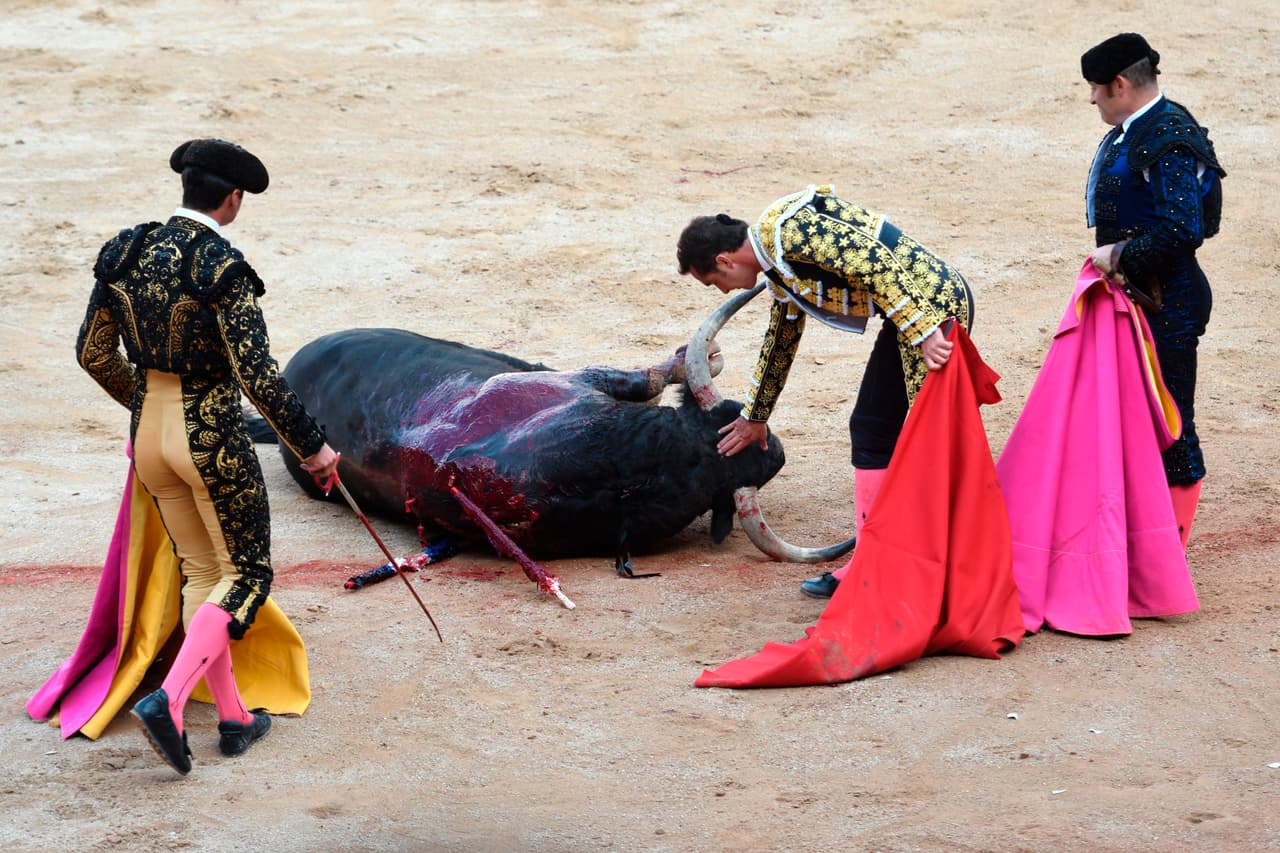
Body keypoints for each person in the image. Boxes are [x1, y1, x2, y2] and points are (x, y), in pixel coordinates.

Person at [75, 138, 339, 776]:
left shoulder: (126, 251)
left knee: (202, 572)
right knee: (246, 576)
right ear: (233, 199)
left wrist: (145, 405)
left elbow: (92, 353)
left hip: (150, 435)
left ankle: (234, 716)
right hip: (211, 437)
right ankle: (166, 699)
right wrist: (313, 448)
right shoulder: (222, 267)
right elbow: (259, 379)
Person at [676, 184, 973, 598]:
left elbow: (876, 263)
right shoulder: (777, 261)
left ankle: (927, 565)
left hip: (932, 312)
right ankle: (883, 560)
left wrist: (923, 331)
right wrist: (755, 417)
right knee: (878, 431)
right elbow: (782, 339)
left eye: (713, 283)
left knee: (923, 438)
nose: (723, 292)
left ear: (724, 261)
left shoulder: (788, 230)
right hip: (914, 316)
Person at [1081, 33, 1225, 549]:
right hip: (1142, 296)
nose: (1091, 97)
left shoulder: (1168, 135)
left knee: (1170, 422)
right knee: (1135, 419)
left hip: (1170, 303)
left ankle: (1168, 553)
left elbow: (1185, 228)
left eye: (1096, 87)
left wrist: (1118, 256)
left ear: (1120, 84)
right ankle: (1143, 539)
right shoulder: (1137, 129)